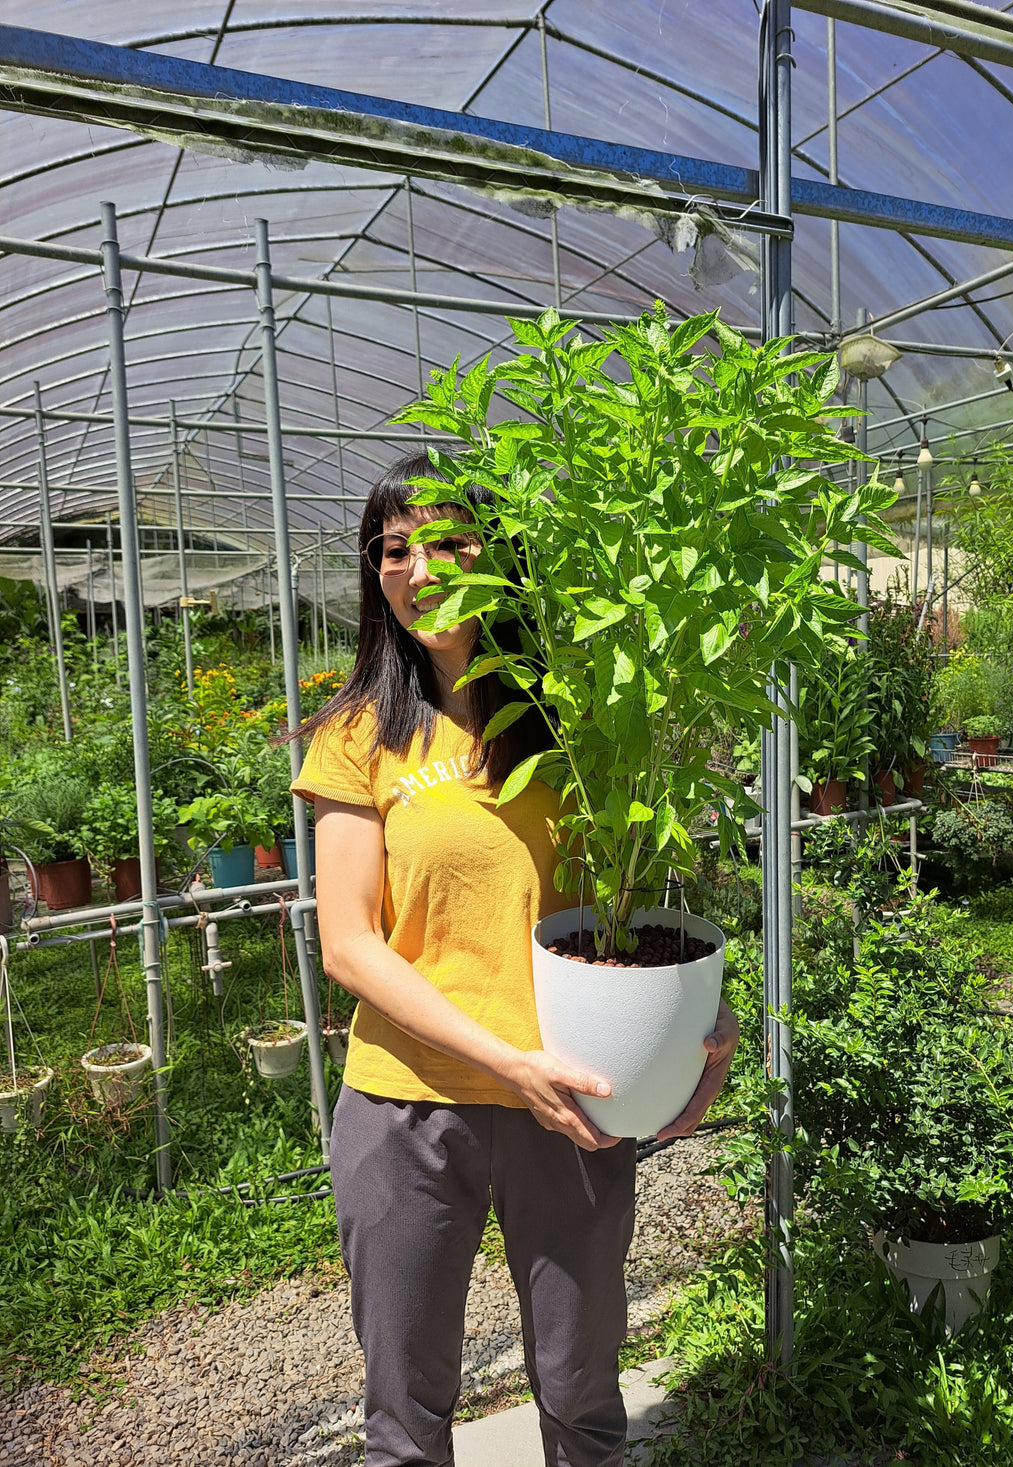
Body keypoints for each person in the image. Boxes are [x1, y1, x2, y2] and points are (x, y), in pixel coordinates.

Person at [290, 451, 738, 1467]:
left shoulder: (578, 716)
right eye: (393, 549)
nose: (418, 565)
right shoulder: (357, 735)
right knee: (404, 1417)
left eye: (449, 539)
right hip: (408, 1106)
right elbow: (350, 945)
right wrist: (503, 1065)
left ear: (502, 557)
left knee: (583, 1395)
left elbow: (630, 911)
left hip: (571, 1099)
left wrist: (693, 1037)